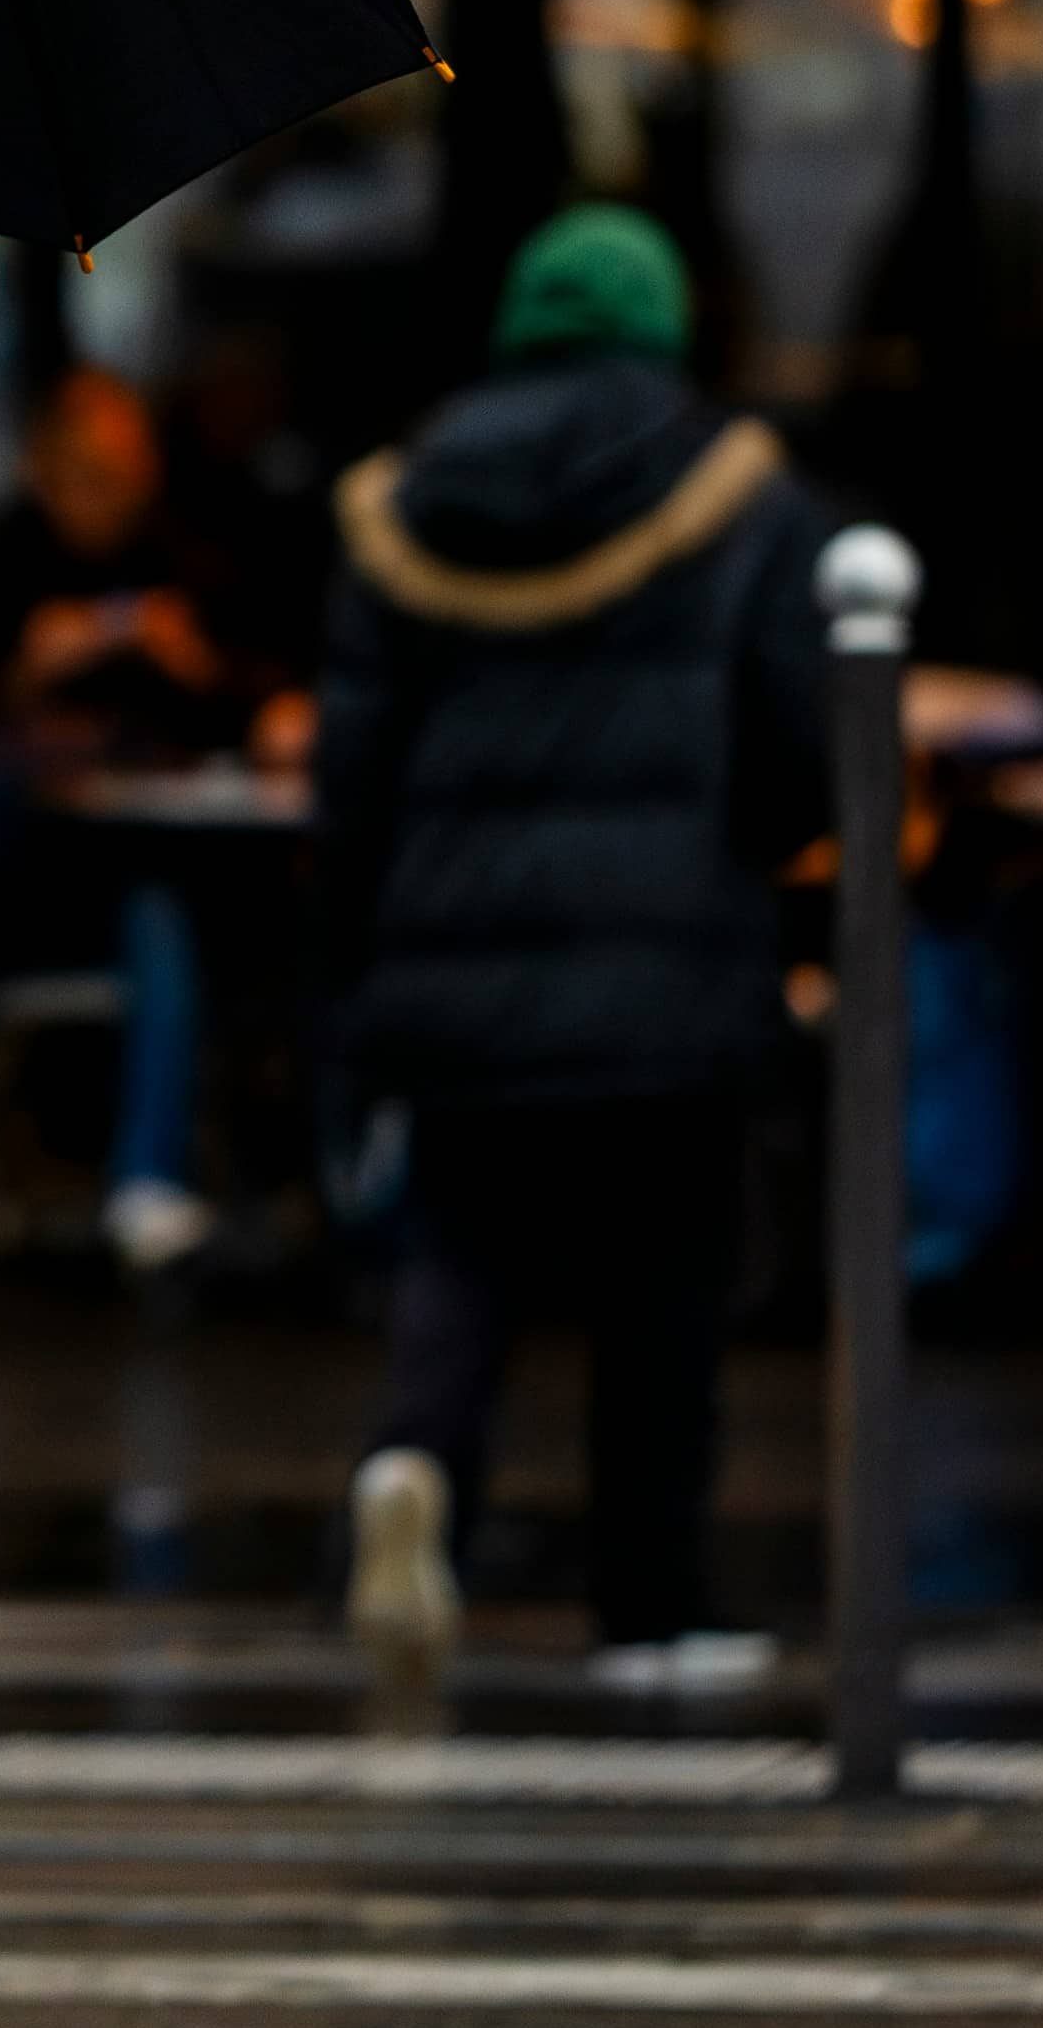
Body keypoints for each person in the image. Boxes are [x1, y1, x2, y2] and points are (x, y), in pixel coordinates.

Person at [310, 206, 841, 1679]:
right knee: (664, 1275)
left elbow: (350, 776)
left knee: (464, 1242)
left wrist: (357, 952)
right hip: (672, 955)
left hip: (453, 949)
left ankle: (416, 1462)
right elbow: (805, 740)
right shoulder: (740, 493)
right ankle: (649, 1602)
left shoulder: (403, 499)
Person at [0, 364, 254, 1303]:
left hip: (115, 867)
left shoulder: (183, 564)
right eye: (86, 472)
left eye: (124, 472)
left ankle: (151, 1185)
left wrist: (196, 669)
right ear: (45, 470)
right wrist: (26, 670)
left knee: (162, 917)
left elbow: (244, 721)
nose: (106, 495)